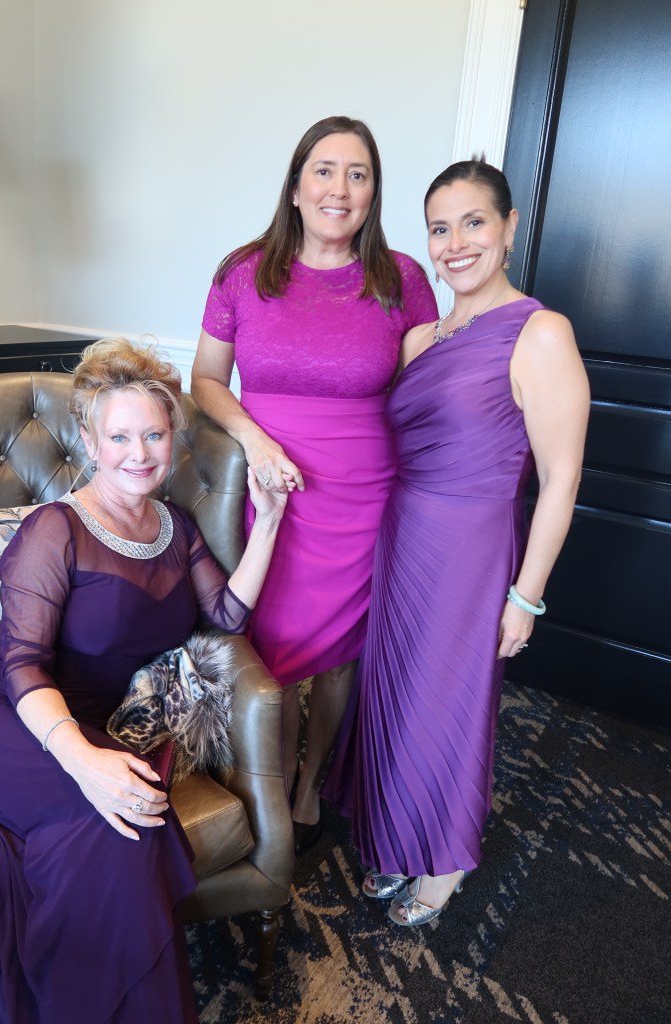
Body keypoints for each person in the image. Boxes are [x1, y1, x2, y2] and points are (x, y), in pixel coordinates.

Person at [0, 338, 287, 1024]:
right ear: (90, 443)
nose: (139, 453)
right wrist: (84, 760)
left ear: (173, 436)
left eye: (154, 434)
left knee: (135, 818)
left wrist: (267, 521)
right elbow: (22, 665)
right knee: (115, 827)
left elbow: (226, 614)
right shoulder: (55, 529)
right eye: (119, 436)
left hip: (83, 722)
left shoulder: (176, 527)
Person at [323, 159, 590, 926]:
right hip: (403, 534)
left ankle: (443, 859)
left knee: (450, 702)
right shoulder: (419, 339)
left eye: (474, 222)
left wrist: (525, 597)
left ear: (509, 227)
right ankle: (396, 834)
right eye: (440, 229)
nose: (455, 243)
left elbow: (562, 479)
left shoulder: (541, 333)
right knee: (396, 692)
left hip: (473, 545)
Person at [191, 115, 437, 853]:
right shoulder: (244, 271)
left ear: (373, 193)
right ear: (295, 187)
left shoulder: (401, 279)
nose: (340, 188)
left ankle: (309, 786)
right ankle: (266, 780)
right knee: (268, 646)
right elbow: (206, 381)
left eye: (358, 174)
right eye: (324, 171)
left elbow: (428, 393)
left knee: (338, 656)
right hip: (265, 489)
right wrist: (255, 439)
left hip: (362, 495)